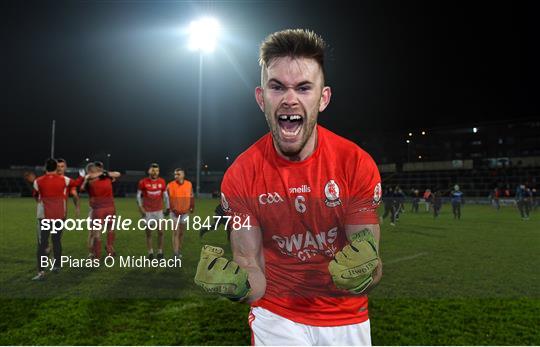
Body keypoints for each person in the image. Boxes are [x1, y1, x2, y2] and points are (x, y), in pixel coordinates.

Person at [193, 29, 382, 345]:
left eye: (304, 88)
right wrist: (237, 285)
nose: (290, 99)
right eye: (277, 87)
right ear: (261, 97)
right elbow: (252, 269)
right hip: (277, 315)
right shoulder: (241, 174)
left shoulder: (355, 164)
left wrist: (364, 274)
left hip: (345, 317)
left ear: (323, 98)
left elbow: (370, 262)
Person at [32, 158, 79, 280]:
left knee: (42, 244)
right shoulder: (66, 180)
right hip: (59, 215)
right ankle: (56, 265)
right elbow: (75, 187)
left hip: (44, 216)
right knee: (56, 240)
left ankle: (41, 272)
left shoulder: (38, 181)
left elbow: (36, 196)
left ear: (45, 167)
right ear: (56, 168)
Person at [80, 161, 121, 259]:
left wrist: (102, 174)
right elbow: (116, 174)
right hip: (102, 208)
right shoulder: (98, 178)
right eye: (98, 168)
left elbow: (117, 174)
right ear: (92, 169)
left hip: (102, 209)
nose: (100, 170)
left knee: (99, 232)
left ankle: (103, 252)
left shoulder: (103, 176)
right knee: (98, 232)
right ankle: (95, 253)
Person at [137, 163, 169, 259]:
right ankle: (150, 253)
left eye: (156, 170)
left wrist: (168, 207)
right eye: (153, 170)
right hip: (147, 211)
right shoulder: (143, 182)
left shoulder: (162, 181)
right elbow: (138, 196)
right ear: (149, 171)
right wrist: (140, 207)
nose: (154, 172)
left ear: (158, 172)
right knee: (149, 233)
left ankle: (160, 252)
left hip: (158, 211)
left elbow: (166, 196)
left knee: (161, 232)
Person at [166, 168, 194, 259]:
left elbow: (191, 195)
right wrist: (169, 208)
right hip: (174, 213)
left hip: (185, 213)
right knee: (175, 232)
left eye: (178, 174)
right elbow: (166, 198)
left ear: (183, 175)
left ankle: (178, 250)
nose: (176, 176)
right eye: (175, 174)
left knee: (181, 233)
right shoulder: (170, 185)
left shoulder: (189, 184)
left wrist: (192, 206)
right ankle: (175, 253)